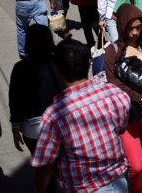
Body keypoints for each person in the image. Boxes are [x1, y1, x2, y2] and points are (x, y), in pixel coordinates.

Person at [31, 39, 131, 193]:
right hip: (119, 183)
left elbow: (45, 167)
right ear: (89, 63)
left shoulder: (53, 116)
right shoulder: (114, 93)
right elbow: (121, 128)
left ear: (57, 70)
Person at [104, 4, 142, 193]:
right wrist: (139, 98)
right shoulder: (113, 51)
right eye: (130, 28)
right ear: (122, 26)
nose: (134, 32)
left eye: (138, 27)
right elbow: (114, 83)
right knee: (136, 164)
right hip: (127, 114)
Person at [9, 25, 63, 154]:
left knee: (43, 169)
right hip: (59, 125)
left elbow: (15, 100)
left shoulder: (20, 68)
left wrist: (15, 128)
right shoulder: (59, 64)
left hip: (32, 130)